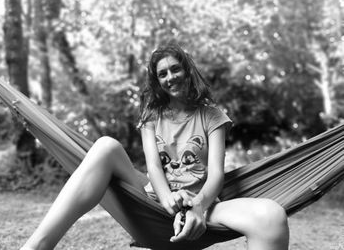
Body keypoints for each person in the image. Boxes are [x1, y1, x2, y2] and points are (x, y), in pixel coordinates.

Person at [21, 42, 289, 250]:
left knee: (272, 216)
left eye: (175, 69)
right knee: (105, 146)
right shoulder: (152, 116)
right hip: (154, 201)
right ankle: (37, 246)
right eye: (162, 74)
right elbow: (152, 166)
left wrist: (197, 207)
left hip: (202, 202)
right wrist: (167, 200)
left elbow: (217, 174)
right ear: (157, 80)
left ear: (187, 70)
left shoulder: (212, 116)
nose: (170, 77)